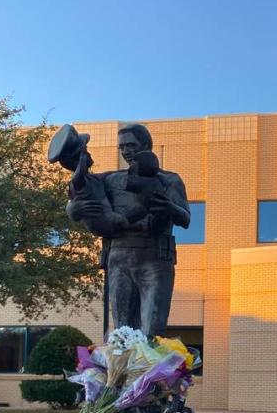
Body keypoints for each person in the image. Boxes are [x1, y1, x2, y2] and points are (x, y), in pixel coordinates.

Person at [49, 123, 191, 338]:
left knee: (152, 330)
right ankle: (121, 371)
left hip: (155, 258)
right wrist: (72, 208)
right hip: (119, 258)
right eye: (122, 147)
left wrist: (170, 207)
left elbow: (186, 218)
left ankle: (150, 371)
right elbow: (81, 189)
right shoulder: (110, 179)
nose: (126, 151)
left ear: (146, 144)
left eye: (131, 145)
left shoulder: (169, 179)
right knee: (123, 331)